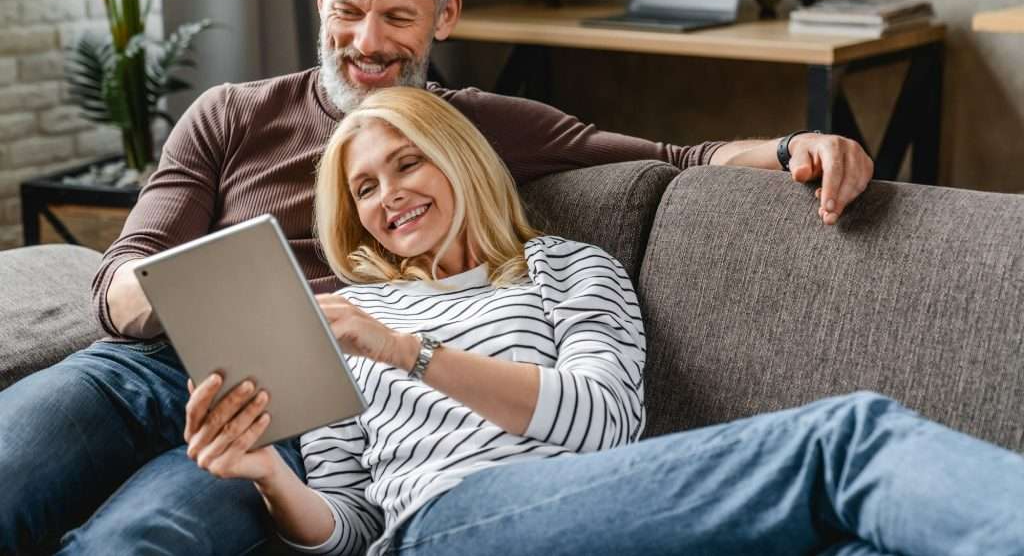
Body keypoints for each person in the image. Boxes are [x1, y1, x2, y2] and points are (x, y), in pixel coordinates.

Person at [0, 0, 873, 554]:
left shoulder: (470, 127)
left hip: (288, 411)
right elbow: (117, 281)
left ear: (444, 17)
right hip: (143, 367)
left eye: (397, 17)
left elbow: (672, 157)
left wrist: (796, 143)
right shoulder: (230, 113)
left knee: (139, 539)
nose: (366, 42)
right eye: (348, 10)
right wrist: (193, 297)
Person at [184, 86, 1024, 556]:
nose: (389, 195)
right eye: (365, 187)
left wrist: (410, 352)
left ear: (460, 158)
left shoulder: (567, 267)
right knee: (846, 437)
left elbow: (603, 421)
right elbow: (350, 526)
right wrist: (267, 474)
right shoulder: (351, 316)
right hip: (441, 528)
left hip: (583, 520)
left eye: (408, 162)